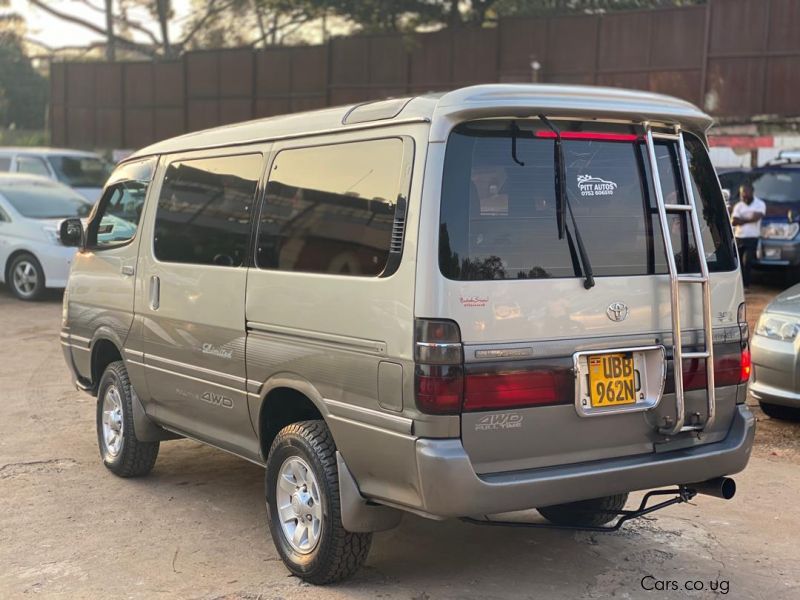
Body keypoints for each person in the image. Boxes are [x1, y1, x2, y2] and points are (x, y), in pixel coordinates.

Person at [731, 183, 766, 290]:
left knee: (747, 261)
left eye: (746, 192)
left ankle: (746, 285)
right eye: (742, 193)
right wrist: (748, 219)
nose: (743, 195)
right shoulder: (739, 206)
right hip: (738, 238)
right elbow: (733, 221)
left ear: (752, 192)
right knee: (738, 263)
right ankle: (739, 285)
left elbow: (756, 217)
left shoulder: (760, 204)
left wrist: (741, 220)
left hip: (752, 238)